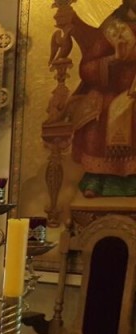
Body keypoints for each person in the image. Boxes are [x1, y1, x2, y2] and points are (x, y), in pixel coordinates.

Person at [56, 0, 136, 197]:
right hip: (111, 90)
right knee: (101, 111)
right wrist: (113, 60)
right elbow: (87, 67)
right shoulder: (113, 28)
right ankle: (98, 177)